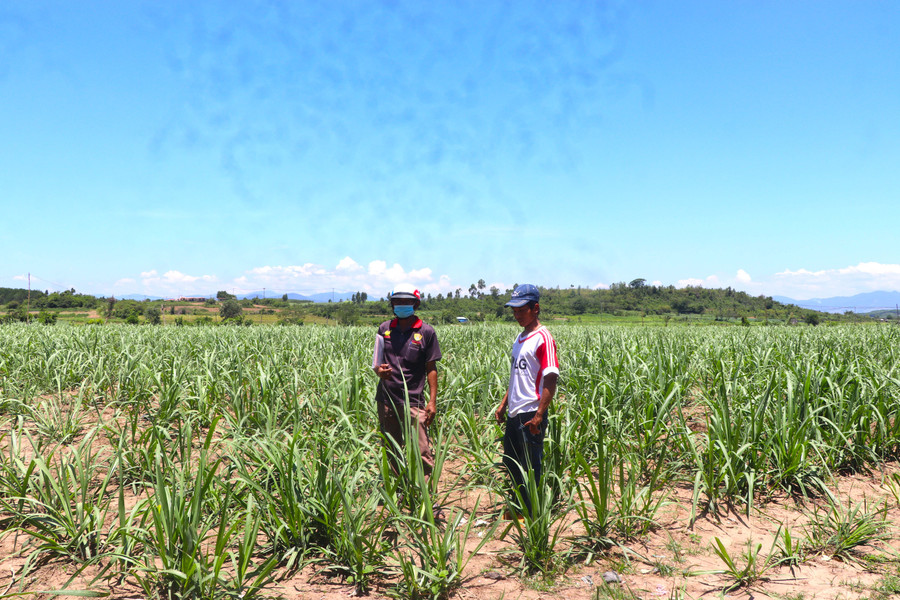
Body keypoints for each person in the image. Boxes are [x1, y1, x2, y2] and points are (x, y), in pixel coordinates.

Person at [494, 284, 559, 517]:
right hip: (514, 412)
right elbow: (516, 375)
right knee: (512, 463)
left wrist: (539, 415)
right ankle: (520, 508)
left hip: (531, 411)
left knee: (532, 466)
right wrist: (504, 404)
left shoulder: (543, 338)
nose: (517, 315)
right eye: (514, 310)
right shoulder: (520, 337)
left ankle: (533, 514)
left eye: (522, 310)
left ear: (536, 308)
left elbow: (550, 378)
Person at [372, 284, 442, 482]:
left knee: (421, 451)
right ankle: (396, 492)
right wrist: (379, 371)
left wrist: (432, 401)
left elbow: (431, 369)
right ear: (392, 304)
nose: (401, 305)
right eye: (397, 302)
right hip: (387, 400)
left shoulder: (426, 332)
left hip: (414, 401)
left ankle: (426, 498)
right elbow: (376, 362)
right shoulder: (384, 329)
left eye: (406, 302)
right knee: (391, 449)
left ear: (416, 304)